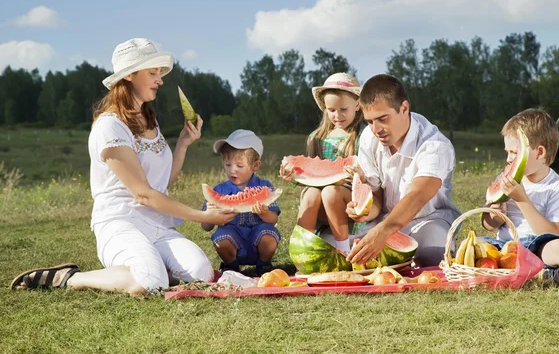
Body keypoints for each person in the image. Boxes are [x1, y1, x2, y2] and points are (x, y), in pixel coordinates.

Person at [11, 38, 235, 296]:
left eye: (159, 73)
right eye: (152, 73)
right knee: (150, 283)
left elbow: (162, 185)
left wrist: (183, 145)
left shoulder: (149, 121)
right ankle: (69, 277)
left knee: (201, 272)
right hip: (119, 223)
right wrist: (203, 216)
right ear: (129, 75)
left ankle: (147, 264)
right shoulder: (110, 127)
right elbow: (142, 193)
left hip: (156, 224)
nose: (160, 80)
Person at [346, 74, 461, 267]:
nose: (376, 129)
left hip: (429, 219)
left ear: (404, 108)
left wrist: (383, 231)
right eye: (370, 121)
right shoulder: (368, 137)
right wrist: (365, 211)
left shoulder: (435, 145)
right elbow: (376, 195)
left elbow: (417, 195)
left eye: (383, 118)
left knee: (431, 253)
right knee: (345, 253)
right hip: (384, 220)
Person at [481, 108, 559, 288]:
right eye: (507, 152)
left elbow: (552, 233)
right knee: (476, 244)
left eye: (514, 153)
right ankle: (549, 274)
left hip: (540, 249)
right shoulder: (505, 179)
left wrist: (522, 200)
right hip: (504, 248)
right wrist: (494, 215)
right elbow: (488, 225)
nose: (508, 159)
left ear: (540, 152)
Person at [280, 72, 366, 254]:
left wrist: (358, 173)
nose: (337, 115)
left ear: (357, 104)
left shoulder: (362, 136)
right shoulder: (316, 138)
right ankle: (302, 252)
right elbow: (309, 177)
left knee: (330, 191)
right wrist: (293, 175)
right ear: (325, 109)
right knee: (311, 194)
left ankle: (344, 252)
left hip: (350, 206)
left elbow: (369, 179)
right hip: (321, 209)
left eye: (343, 109)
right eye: (331, 110)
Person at [201, 129, 281, 276]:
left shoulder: (265, 187)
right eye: (227, 164)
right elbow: (206, 227)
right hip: (232, 238)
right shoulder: (219, 190)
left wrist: (264, 213)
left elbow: (273, 220)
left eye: (239, 166)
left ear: (255, 166)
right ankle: (231, 266)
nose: (232, 170)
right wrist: (209, 215)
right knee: (221, 239)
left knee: (269, 235)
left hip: (258, 238)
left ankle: (263, 265)